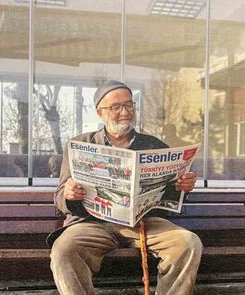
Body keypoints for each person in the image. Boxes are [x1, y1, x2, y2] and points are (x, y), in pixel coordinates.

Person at [47, 80, 202, 295]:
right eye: (116, 107)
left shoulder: (153, 145)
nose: (125, 112)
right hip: (92, 223)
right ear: (100, 112)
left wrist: (182, 186)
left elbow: (169, 194)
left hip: (143, 222)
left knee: (188, 243)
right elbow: (60, 196)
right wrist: (70, 194)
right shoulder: (80, 144)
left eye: (129, 105)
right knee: (63, 250)